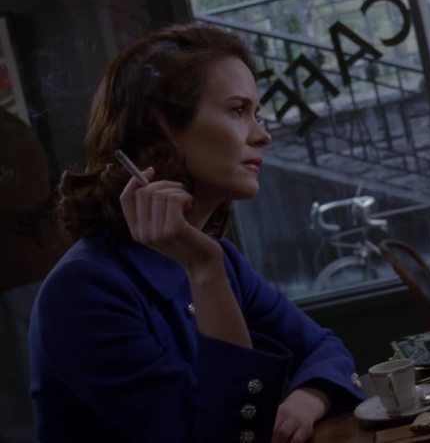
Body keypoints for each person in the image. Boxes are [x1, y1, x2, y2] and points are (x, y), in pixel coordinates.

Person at [28, 23, 364, 443]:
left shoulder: (221, 260)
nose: (262, 134)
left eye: (256, 114)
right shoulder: (84, 292)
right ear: (164, 127)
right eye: (238, 111)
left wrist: (307, 400)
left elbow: (325, 348)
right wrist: (205, 269)